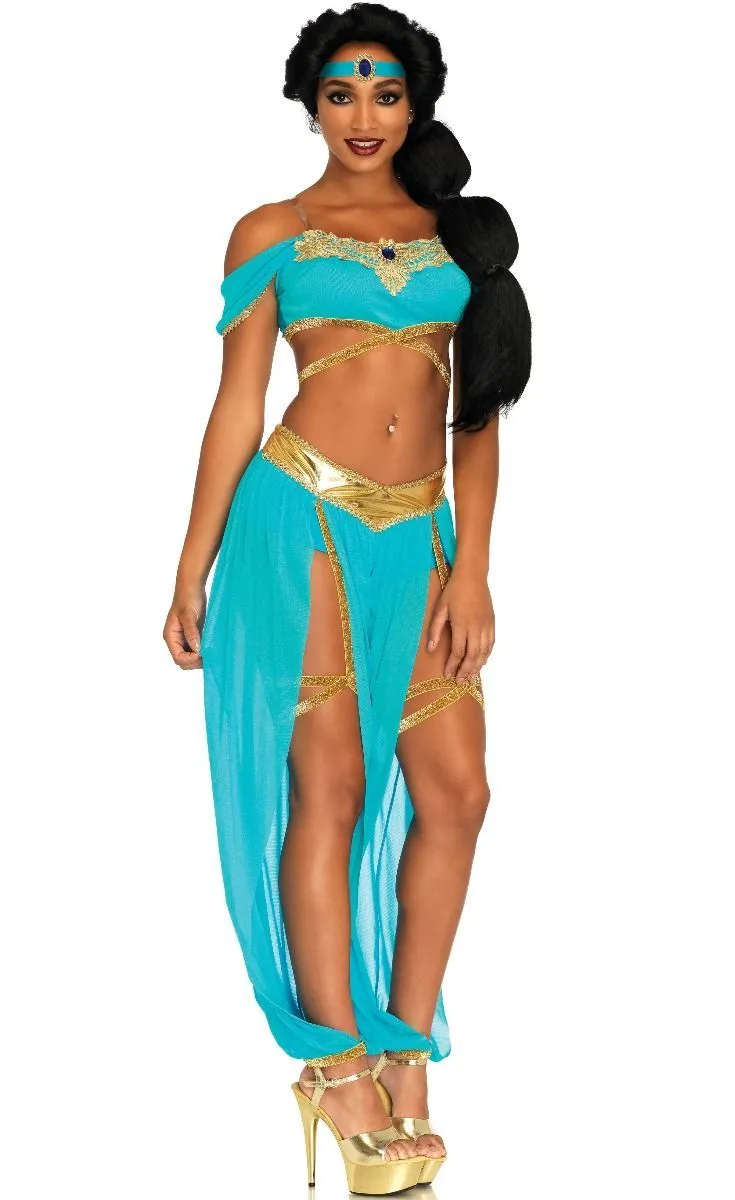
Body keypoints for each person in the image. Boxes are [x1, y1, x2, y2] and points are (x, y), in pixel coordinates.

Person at [163, 3, 531, 1191]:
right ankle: (336, 1068)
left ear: (416, 105)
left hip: (418, 539)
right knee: (329, 783)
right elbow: (237, 404)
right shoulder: (273, 230)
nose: (362, 114)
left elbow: (477, 419)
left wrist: (474, 567)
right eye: (340, 92)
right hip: (300, 522)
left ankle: (405, 1050)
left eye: (384, 91)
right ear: (311, 104)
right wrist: (191, 564)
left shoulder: (460, 242)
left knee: (457, 790)